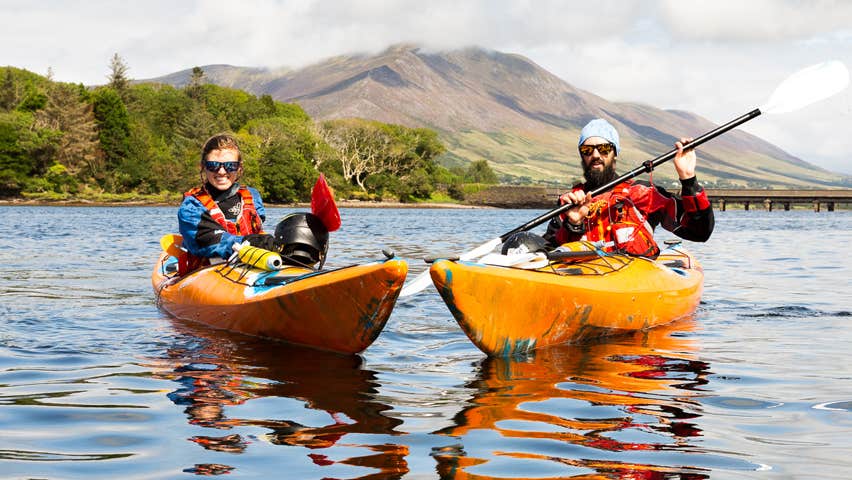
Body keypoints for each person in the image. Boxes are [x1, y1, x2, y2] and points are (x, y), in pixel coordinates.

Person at [541, 118, 714, 257]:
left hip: (635, 284)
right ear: (582, 155)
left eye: (603, 148)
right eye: (587, 150)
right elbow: (545, 253)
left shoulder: (644, 194)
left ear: (614, 153)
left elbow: (699, 232)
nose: (595, 155)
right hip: (586, 282)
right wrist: (573, 224)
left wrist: (688, 179)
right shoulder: (570, 202)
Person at [177, 133, 273, 270]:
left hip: (253, 266)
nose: (221, 171)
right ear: (203, 166)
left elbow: (258, 229)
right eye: (213, 165)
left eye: (230, 166)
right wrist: (249, 242)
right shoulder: (191, 207)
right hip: (209, 271)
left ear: (239, 167)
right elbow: (207, 241)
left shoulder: (252, 196)